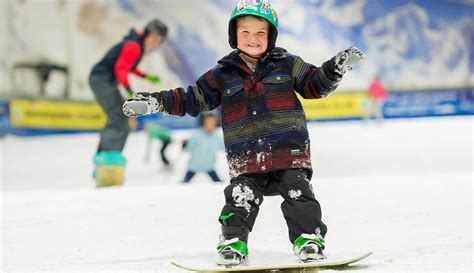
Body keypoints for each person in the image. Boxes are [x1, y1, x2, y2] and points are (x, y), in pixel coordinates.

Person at [123, 0, 365, 266]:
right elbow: (193, 98)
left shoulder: (287, 64)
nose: (253, 39)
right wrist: (156, 102)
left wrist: (335, 68)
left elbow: (315, 84)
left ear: (270, 36)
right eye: (245, 32)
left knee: (300, 196)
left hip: (288, 152)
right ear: (234, 36)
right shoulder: (222, 75)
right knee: (240, 199)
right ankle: (233, 243)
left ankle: (308, 239)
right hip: (246, 157)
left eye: (260, 33)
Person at [89, 19, 168, 187]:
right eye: (153, 37)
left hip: (104, 81)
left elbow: (127, 65)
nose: (154, 42)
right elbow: (121, 69)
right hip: (102, 80)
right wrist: (130, 91)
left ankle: (108, 159)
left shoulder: (137, 45)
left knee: (121, 118)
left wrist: (144, 76)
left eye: (158, 41)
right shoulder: (134, 46)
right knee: (119, 117)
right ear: (147, 33)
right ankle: (106, 161)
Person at [182, 112, 225, 183]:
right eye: (208, 122)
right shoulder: (196, 135)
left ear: (216, 123)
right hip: (194, 165)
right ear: (204, 122)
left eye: (213, 122)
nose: (210, 124)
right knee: (184, 184)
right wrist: (184, 145)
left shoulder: (217, 138)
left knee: (218, 183)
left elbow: (225, 149)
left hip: (209, 166)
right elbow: (186, 149)